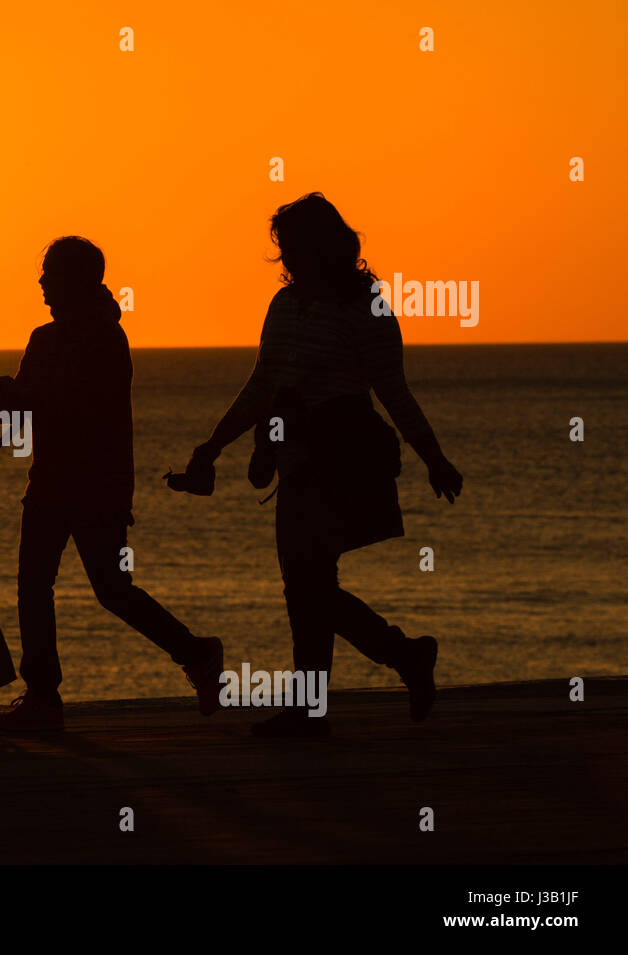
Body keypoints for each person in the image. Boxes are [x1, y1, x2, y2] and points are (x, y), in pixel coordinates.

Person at [172, 193, 463, 737]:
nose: (287, 259)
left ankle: (337, 694)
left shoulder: (365, 305)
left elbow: (392, 389)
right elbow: (263, 385)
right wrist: (212, 447)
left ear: (327, 247)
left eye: (297, 247)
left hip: (343, 459)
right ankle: (394, 661)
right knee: (306, 586)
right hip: (296, 458)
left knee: (307, 584)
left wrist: (434, 457)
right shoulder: (285, 306)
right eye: (284, 249)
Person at [0, 236, 223, 732]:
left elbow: (50, 404)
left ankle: (195, 652)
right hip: (52, 481)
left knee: (110, 590)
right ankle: (44, 697)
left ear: (78, 281)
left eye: (51, 274)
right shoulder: (47, 338)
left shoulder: (102, 340)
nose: (42, 283)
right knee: (35, 585)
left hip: (96, 485)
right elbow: (27, 410)